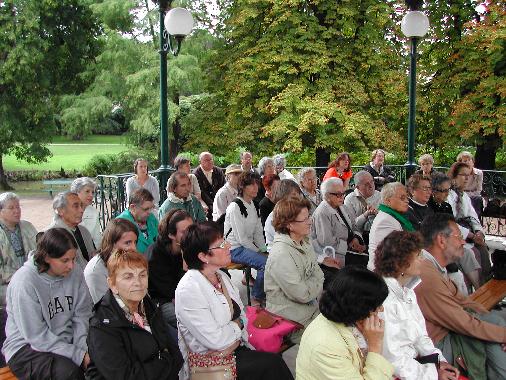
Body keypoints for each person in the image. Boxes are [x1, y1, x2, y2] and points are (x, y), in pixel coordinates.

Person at [176, 222, 293, 380]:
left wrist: (236, 331)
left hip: (234, 350)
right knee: (271, 365)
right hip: (211, 365)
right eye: (221, 245)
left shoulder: (221, 276)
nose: (229, 245)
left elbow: (242, 316)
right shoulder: (189, 290)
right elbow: (216, 341)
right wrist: (238, 326)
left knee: (272, 362)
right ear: (203, 256)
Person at [416, 214, 506, 379]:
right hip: (438, 344)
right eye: (458, 237)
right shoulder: (426, 275)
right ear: (441, 241)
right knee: (496, 332)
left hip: (451, 328)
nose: (464, 242)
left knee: (499, 318)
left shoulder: (433, 266)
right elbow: (463, 323)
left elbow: (465, 301)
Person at [3, 228, 92, 380]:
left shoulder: (75, 272)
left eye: (73, 259)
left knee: (102, 360)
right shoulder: (24, 282)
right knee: (69, 373)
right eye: (65, 260)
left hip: (65, 340)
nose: (71, 266)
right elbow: (36, 336)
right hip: (26, 347)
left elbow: (82, 315)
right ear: (46, 257)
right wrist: (78, 355)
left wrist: (83, 349)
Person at [374, 231, 459, 380]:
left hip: (415, 367)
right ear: (401, 262)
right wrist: (433, 374)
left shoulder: (407, 293)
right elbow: (393, 359)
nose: (423, 259)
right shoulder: (385, 301)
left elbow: (421, 337)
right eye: (418, 255)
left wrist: (439, 362)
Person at [86, 250, 183, 380]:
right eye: (128, 277)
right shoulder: (102, 325)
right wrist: (164, 360)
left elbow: (175, 354)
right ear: (112, 284)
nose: (138, 282)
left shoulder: (148, 305)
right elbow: (125, 376)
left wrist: (162, 361)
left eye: (142, 275)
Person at [296, 266, 393, 380]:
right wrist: (375, 345)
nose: (381, 309)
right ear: (358, 307)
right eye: (376, 305)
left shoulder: (348, 318)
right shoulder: (326, 346)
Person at [406, 174, 480, 292]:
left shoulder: (429, 208)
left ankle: (477, 292)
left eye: (430, 188)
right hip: (430, 251)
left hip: (442, 245)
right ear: (412, 190)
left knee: (467, 254)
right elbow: (421, 237)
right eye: (425, 188)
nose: (429, 192)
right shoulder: (409, 210)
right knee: (456, 273)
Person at [265, 197, 324, 343]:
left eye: (309, 216)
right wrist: (315, 284)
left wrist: (311, 285)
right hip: (290, 318)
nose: (310, 221)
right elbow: (302, 295)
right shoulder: (281, 254)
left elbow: (319, 273)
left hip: (309, 310)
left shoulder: (304, 241)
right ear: (290, 225)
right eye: (304, 219)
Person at [0, 192, 37, 366]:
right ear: (1, 211)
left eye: (18, 207)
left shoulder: (27, 227)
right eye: (11, 208)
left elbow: (40, 252)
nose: (17, 211)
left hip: (30, 277)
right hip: (4, 284)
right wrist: (18, 277)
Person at [146, 209, 193, 341]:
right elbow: (174, 293)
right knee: (190, 319)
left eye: (192, 229)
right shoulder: (155, 256)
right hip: (161, 301)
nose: (190, 235)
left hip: (181, 297)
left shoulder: (188, 247)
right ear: (172, 235)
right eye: (185, 232)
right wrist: (185, 265)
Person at [224, 172, 267, 305]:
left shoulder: (254, 205)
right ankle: (256, 297)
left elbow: (258, 232)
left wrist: (264, 249)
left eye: (257, 184)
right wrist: (258, 251)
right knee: (266, 264)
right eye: (251, 184)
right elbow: (241, 238)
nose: (255, 187)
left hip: (245, 246)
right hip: (234, 249)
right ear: (243, 187)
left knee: (272, 258)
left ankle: (261, 289)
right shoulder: (235, 207)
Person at [311, 178, 365, 284]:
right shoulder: (322, 213)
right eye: (338, 194)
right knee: (366, 265)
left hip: (350, 248)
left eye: (343, 193)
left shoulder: (342, 207)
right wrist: (350, 245)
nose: (342, 197)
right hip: (337, 255)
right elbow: (326, 242)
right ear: (326, 195)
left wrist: (356, 239)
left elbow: (354, 226)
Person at [447, 162, 490, 284]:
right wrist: (470, 235)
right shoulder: (448, 195)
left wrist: (478, 232)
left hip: (470, 233)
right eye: (463, 175)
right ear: (454, 177)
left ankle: (487, 283)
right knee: (468, 253)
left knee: (483, 248)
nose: (467, 178)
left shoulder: (464, 196)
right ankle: (479, 287)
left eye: (468, 175)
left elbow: (473, 217)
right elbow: (450, 222)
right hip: (457, 234)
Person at [84, 218, 138, 304]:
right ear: (112, 244)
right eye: (128, 243)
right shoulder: (96, 271)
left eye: (135, 242)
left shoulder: (127, 260)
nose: (134, 248)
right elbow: (104, 308)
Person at [367, 182, 412, 271]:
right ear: (388, 200)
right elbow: (392, 255)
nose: (407, 200)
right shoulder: (385, 221)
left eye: (407, 197)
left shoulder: (391, 216)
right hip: (383, 275)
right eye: (402, 198)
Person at [47, 191, 95, 271]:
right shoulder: (52, 235)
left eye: (81, 206)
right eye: (76, 206)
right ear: (60, 210)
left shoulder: (84, 231)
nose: (81, 210)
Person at [264, 179, 303, 250]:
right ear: (284, 197)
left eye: (298, 194)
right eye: (294, 195)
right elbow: (288, 243)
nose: (298, 198)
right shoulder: (273, 218)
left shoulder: (295, 213)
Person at [117, 188, 158, 254]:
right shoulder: (120, 224)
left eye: (151, 208)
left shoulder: (151, 219)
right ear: (133, 207)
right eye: (146, 209)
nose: (149, 212)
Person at [344, 170, 380, 244]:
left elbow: (387, 221)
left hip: (378, 236)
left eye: (372, 181)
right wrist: (365, 215)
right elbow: (351, 226)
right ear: (357, 187)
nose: (371, 186)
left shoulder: (381, 196)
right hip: (359, 238)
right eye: (366, 184)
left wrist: (377, 214)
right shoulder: (350, 199)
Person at [193, 152, 226, 220]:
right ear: (200, 162)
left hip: (219, 201)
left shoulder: (218, 171)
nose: (210, 162)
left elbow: (223, 187)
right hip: (205, 203)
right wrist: (212, 205)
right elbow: (201, 192)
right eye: (206, 160)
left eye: (211, 159)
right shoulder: (196, 174)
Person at [71, 177, 102, 247]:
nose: (91, 195)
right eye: (87, 191)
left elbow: (97, 238)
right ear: (76, 193)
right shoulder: (67, 210)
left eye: (93, 192)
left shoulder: (94, 212)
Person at [457, 151, 484, 217]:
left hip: (474, 197)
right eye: (465, 161)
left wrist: (468, 196)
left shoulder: (479, 173)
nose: (468, 162)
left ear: (473, 162)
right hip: (461, 196)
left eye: (469, 160)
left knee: (477, 199)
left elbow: (479, 190)